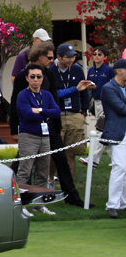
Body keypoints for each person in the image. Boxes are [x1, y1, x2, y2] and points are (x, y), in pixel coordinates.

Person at [8, 41, 85, 206]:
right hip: (30, 128)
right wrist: (14, 129)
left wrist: (56, 125)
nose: (52, 60)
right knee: (23, 163)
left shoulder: (48, 74)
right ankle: (17, 196)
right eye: (49, 57)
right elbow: (16, 103)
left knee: (60, 161)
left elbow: (54, 104)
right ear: (39, 56)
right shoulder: (24, 76)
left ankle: (71, 198)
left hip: (49, 127)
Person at [49, 43, 92, 176]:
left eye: (73, 57)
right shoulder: (50, 71)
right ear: (59, 57)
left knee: (70, 153)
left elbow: (84, 92)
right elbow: (53, 94)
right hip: (57, 115)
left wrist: (84, 112)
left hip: (74, 114)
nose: (71, 60)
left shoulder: (77, 69)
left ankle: (69, 184)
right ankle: (50, 179)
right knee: (54, 152)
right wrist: (73, 90)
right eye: (67, 57)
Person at [15, 63, 57, 192]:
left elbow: (56, 112)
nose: (36, 79)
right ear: (27, 78)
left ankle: (39, 204)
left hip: (44, 137)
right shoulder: (23, 95)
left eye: (39, 76)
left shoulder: (47, 95)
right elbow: (27, 115)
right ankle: (21, 204)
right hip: (28, 136)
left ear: (43, 78)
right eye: (32, 76)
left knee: (43, 172)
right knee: (24, 172)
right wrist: (46, 113)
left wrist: (39, 110)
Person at [99, 58, 126, 218]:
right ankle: (112, 205)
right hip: (116, 133)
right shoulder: (108, 88)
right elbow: (121, 108)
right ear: (119, 71)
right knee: (119, 167)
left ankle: (122, 203)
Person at [85, 46, 114, 167]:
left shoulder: (108, 70)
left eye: (99, 54)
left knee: (100, 130)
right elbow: (87, 85)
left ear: (105, 57)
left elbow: (113, 84)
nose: (96, 56)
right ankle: (116, 159)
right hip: (96, 101)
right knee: (105, 131)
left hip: (105, 102)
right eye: (95, 54)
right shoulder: (91, 70)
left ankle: (93, 159)